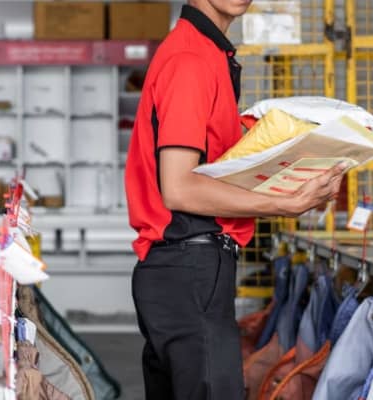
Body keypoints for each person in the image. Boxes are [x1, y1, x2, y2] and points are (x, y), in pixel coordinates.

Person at [124, 0, 347, 398]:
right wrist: (285, 204)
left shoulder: (209, 52)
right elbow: (179, 188)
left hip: (186, 270)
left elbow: (206, 171)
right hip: (187, 267)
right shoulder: (191, 59)